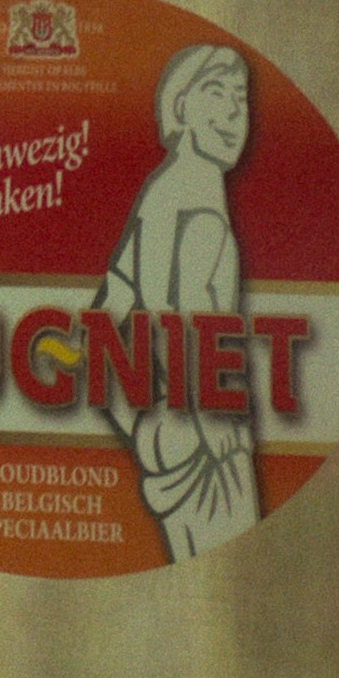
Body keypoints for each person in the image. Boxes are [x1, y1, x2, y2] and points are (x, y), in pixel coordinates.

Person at [100, 33, 262, 562]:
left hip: (170, 429)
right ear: (181, 104)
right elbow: (175, 318)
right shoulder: (193, 192)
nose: (234, 112)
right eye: (217, 93)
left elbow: (120, 310)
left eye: (241, 99)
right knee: (235, 571)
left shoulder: (171, 187)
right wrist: (215, 423)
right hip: (200, 433)